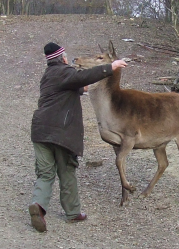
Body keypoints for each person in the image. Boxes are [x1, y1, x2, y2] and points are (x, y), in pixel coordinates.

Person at [29, 42, 127, 232]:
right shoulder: (64, 72)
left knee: (45, 173)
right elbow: (82, 77)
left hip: (39, 131)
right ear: (63, 58)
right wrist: (111, 67)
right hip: (60, 132)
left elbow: (69, 87)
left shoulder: (48, 76)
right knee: (67, 171)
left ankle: (38, 206)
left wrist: (82, 89)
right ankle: (73, 213)